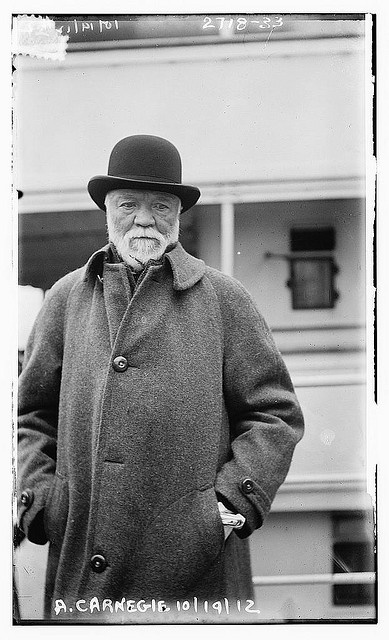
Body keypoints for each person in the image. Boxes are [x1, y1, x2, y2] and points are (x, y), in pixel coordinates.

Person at [17, 135, 304, 623]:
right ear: (106, 209)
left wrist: (226, 510)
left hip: (198, 574)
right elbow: (29, 414)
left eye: (161, 205)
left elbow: (274, 415)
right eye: (129, 204)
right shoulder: (65, 300)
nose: (145, 219)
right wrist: (43, 501)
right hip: (82, 565)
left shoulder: (224, 300)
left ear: (179, 215)